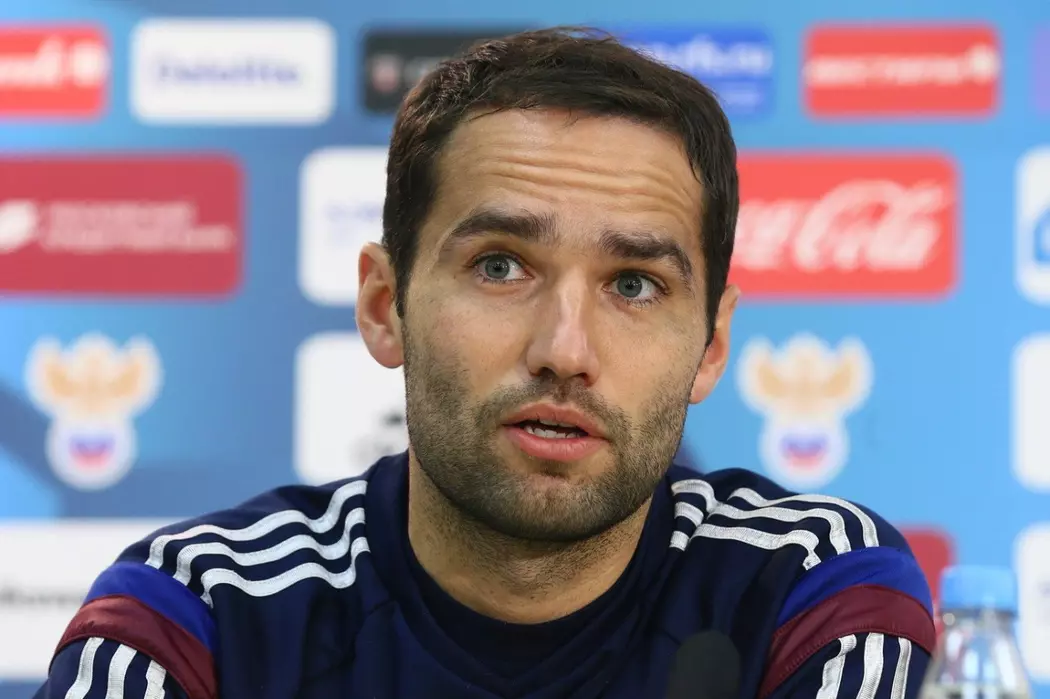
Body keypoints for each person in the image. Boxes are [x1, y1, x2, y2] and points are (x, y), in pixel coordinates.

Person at [35, 27, 935, 699]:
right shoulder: (202, 607)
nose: (565, 351)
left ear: (712, 345)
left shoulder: (808, 586)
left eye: (634, 284)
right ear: (384, 305)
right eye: (501, 266)